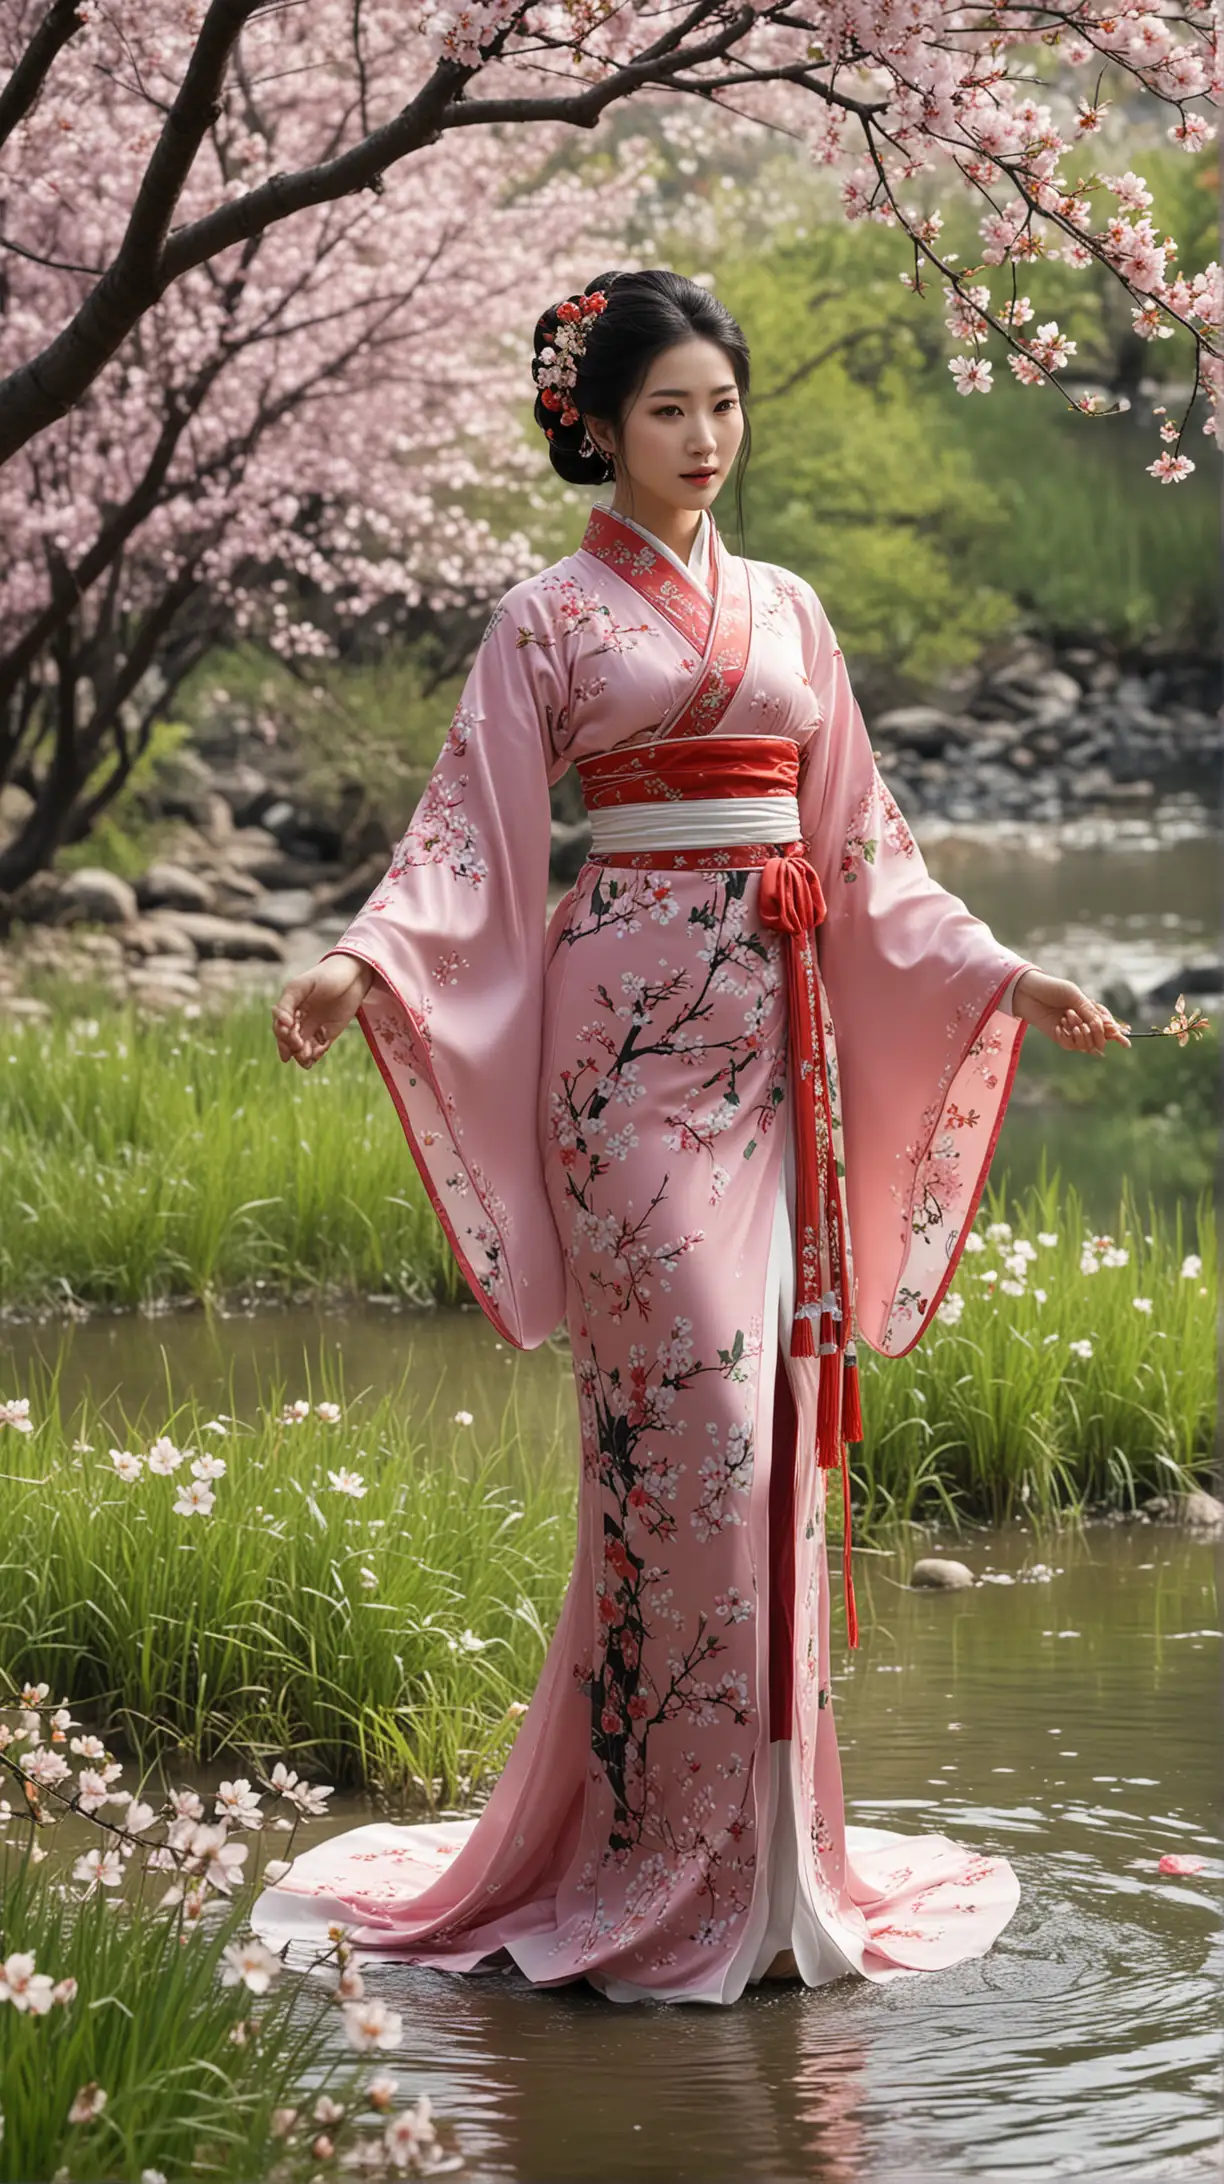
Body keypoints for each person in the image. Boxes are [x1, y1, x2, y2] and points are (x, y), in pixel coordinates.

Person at [255, 269, 1131, 2006]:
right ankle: (654, 1860)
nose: (705, 440)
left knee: (769, 1438)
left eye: (723, 406)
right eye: (668, 411)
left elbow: (871, 850)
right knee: (695, 1433)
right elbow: (470, 844)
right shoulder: (543, 625)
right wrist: (362, 959)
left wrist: (1008, 977)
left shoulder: (794, 612)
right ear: (595, 425)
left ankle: (774, 1866)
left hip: (778, 1041)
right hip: (625, 1059)